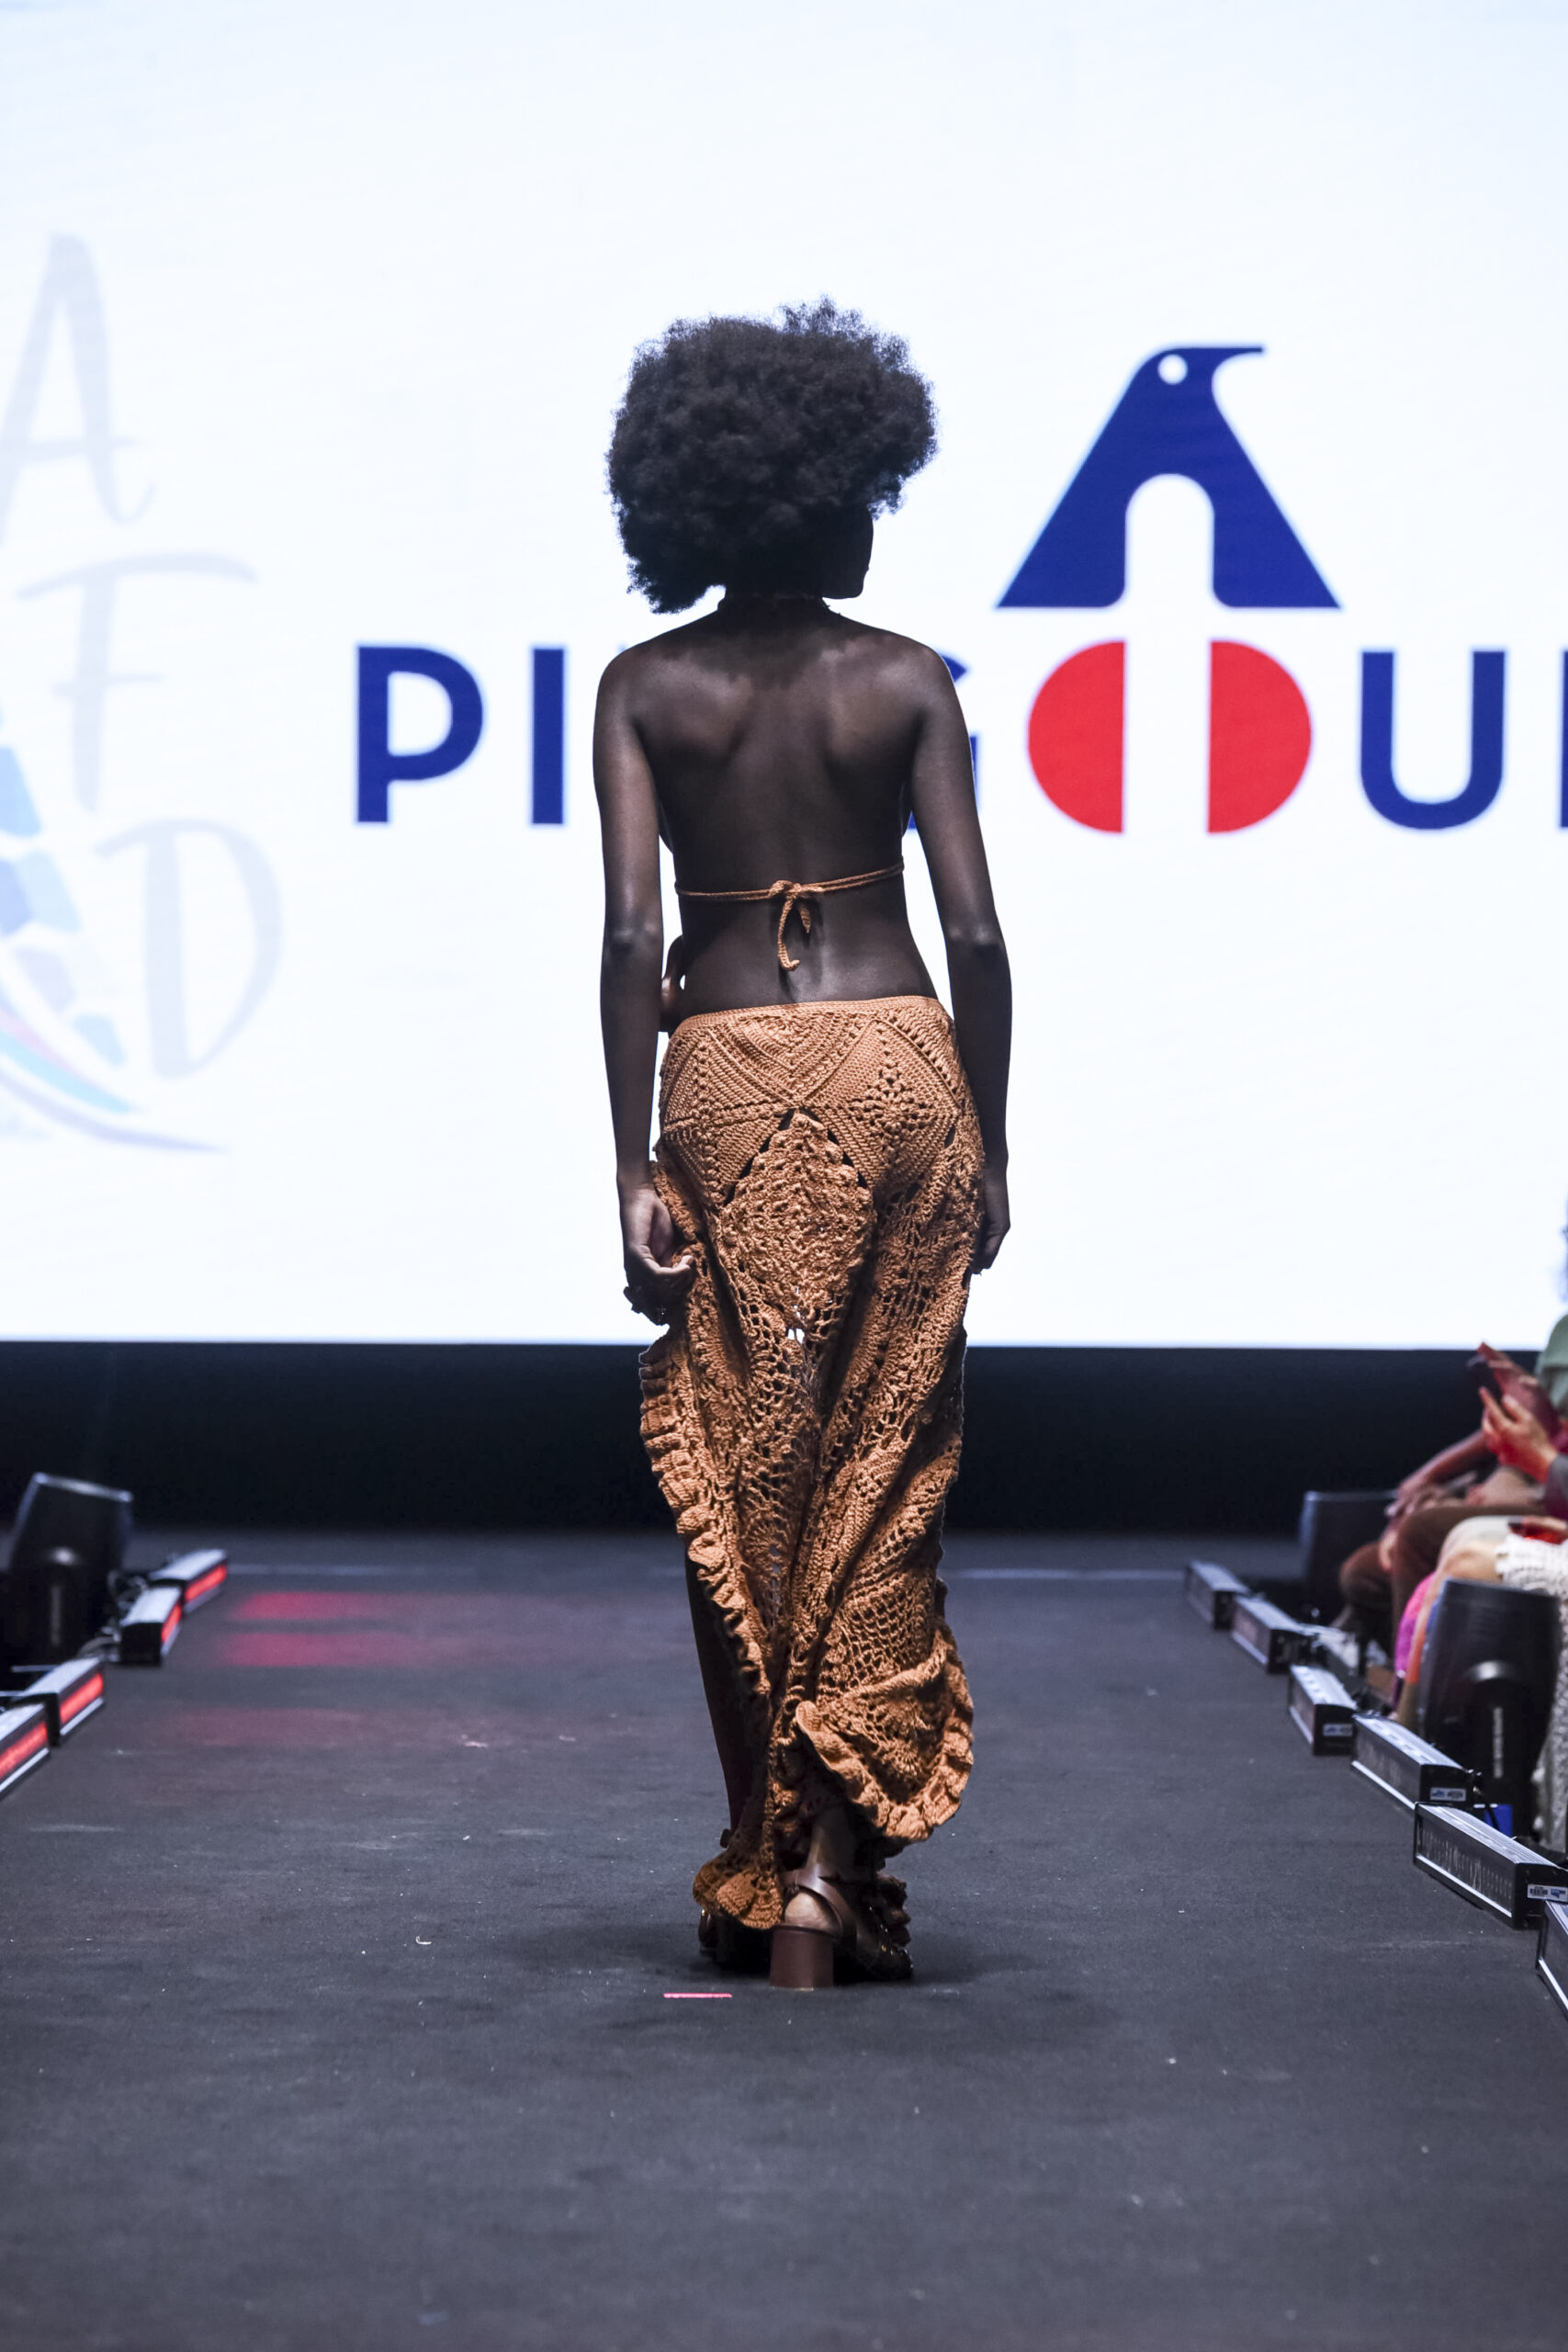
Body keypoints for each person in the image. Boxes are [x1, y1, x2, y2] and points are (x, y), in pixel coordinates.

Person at [593, 302, 1011, 1989]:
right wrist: (992, 1137)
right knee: (883, 1468)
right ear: (831, 493)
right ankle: (831, 1869)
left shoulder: (644, 687)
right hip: (897, 1064)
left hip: (720, 1078)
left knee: (744, 1466)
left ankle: (767, 1861)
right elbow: (973, 935)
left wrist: (628, 1162)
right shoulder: (903, 679)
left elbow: (632, 936)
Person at [1338, 1332, 1568, 1655]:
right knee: (1364, 1572)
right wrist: (1530, 1409)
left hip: (1554, 1502)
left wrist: (1538, 1469)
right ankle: (1402, 1667)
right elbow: (1548, 1432)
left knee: (1423, 1533)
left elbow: (1547, 1456)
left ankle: (1414, 1683)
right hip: (1542, 1484)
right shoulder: (1562, 1331)